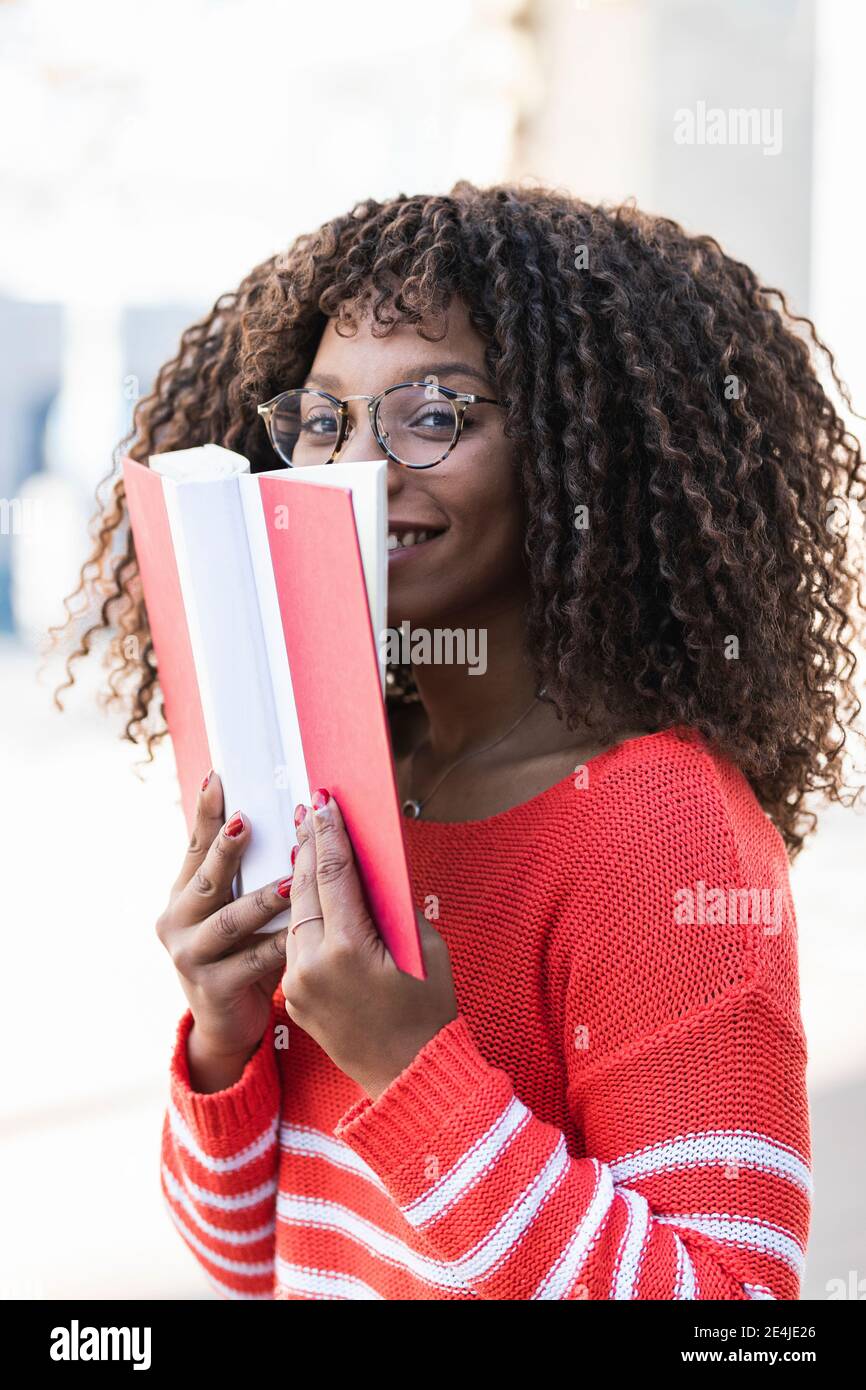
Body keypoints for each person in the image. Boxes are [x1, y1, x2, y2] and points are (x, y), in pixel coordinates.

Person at [59, 182, 865, 1300]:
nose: (358, 468)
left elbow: (727, 1312)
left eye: (434, 414)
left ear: (590, 449)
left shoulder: (662, 831)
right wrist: (222, 1040)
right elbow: (248, 1257)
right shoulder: (339, 780)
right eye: (326, 420)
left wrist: (406, 1064)